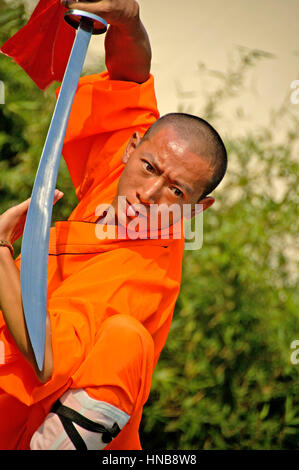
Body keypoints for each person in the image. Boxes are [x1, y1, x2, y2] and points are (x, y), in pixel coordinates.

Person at [0, 0, 227, 450]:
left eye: (177, 192)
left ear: (197, 209)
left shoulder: (143, 272)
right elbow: (129, 79)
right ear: (131, 149)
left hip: (41, 426)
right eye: (149, 167)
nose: (150, 193)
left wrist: (1, 251)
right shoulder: (126, 184)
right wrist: (127, 17)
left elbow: (42, 353)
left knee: (128, 341)